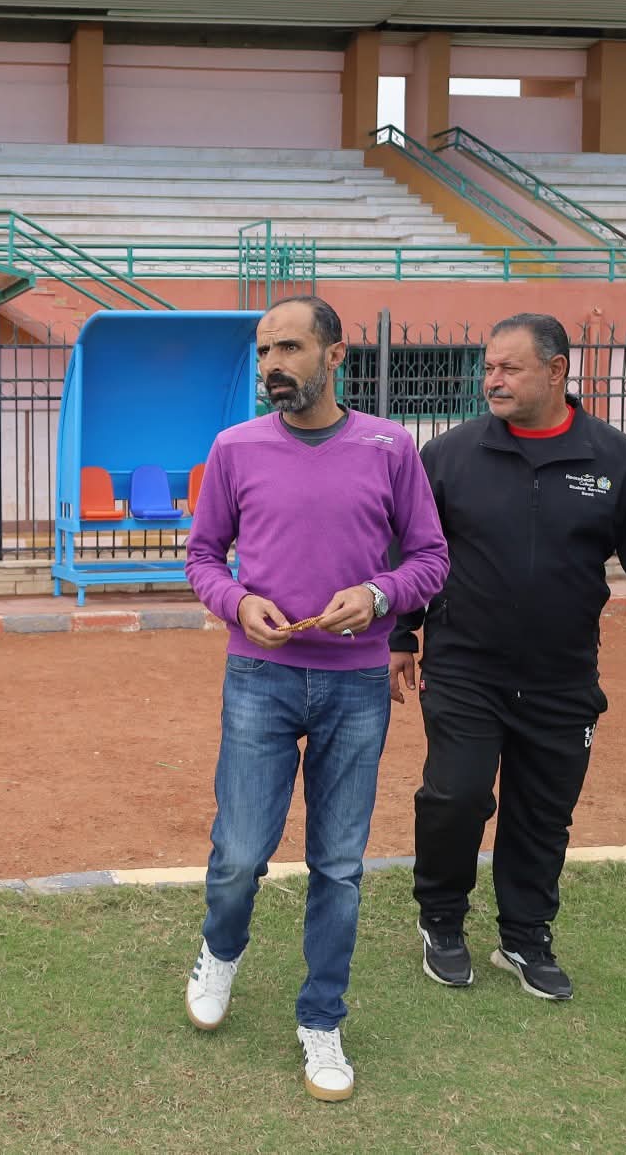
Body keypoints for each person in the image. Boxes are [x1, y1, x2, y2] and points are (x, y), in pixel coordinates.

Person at [391, 312, 626, 1002]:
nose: (493, 380)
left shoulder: (618, 462)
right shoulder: (449, 456)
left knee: (542, 812)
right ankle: (442, 920)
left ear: (556, 371)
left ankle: (525, 935)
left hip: (562, 675)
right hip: (465, 667)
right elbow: (412, 550)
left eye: (509, 368)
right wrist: (401, 634)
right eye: (488, 367)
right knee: (456, 795)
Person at [182, 295, 449, 1104]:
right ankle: (220, 950)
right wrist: (236, 604)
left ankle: (322, 1017)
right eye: (266, 349)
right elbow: (203, 557)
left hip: (357, 683)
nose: (273, 364)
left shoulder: (389, 447)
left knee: (338, 864)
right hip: (258, 678)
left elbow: (430, 558)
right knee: (240, 853)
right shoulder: (234, 447)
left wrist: (378, 594)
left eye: (290, 347)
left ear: (335, 356)